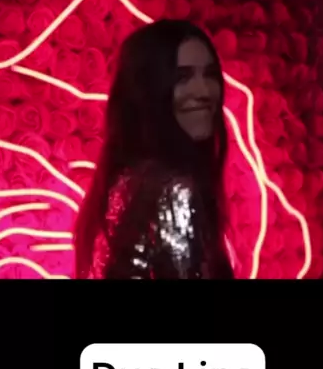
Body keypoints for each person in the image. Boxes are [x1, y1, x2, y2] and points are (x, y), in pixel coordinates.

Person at [74, 19, 235, 279]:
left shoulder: (123, 180)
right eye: (182, 78)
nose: (204, 91)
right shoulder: (173, 191)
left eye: (210, 74)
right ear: (147, 91)